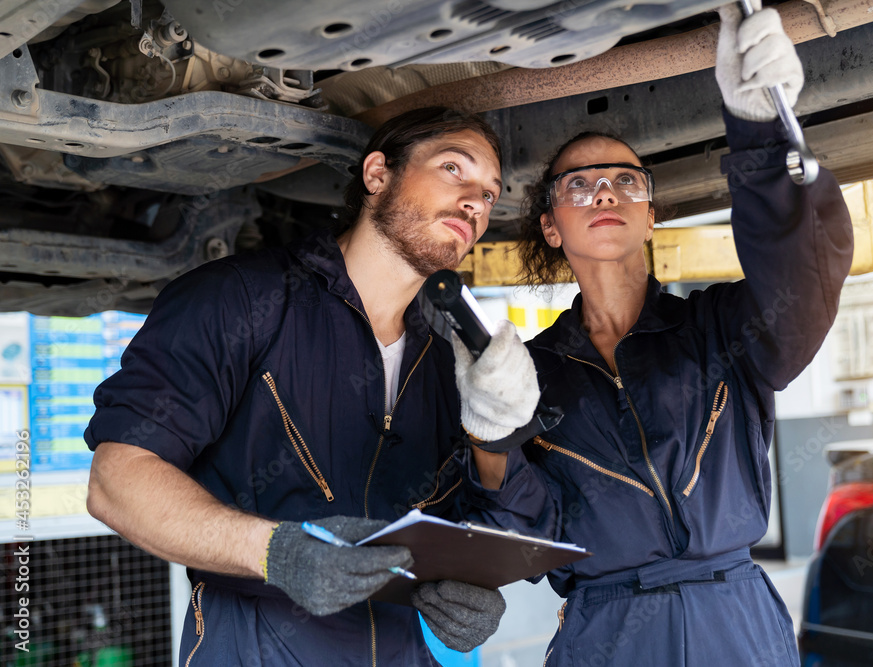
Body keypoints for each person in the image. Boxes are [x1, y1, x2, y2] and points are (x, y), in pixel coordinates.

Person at [456, 3, 854, 665]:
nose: (604, 192)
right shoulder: (530, 372)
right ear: (551, 225)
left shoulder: (719, 326)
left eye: (623, 181)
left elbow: (804, 284)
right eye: (579, 185)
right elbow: (523, 529)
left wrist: (760, 133)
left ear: (650, 214)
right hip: (607, 632)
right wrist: (489, 434)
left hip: (735, 619)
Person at [83, 107, 541, 665]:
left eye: (491, 195)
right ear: (377, 175)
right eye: (454, 169)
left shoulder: (451, 361)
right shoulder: (240, 299)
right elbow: (117, 480)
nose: (475, 202)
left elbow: (494, 524)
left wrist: (470, 593)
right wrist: (274, 553)